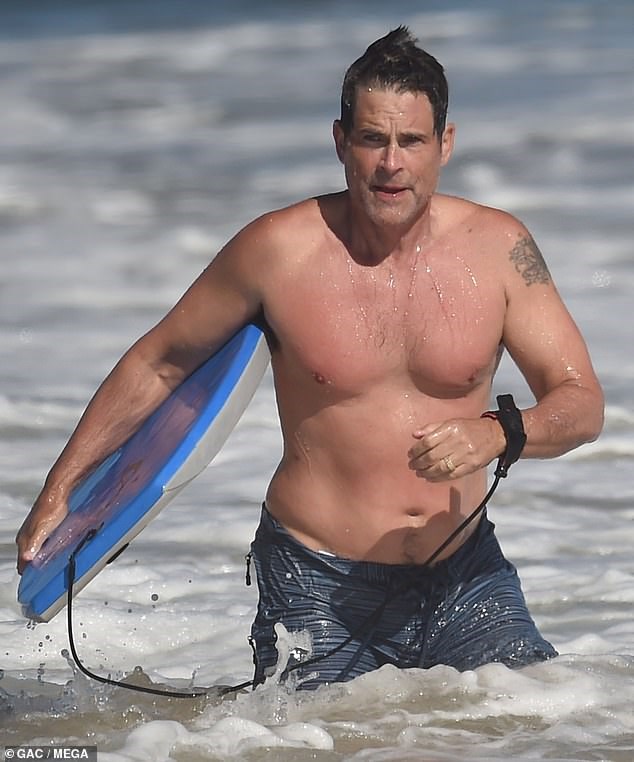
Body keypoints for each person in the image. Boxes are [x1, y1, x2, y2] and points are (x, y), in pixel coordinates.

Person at [16, 27, 603, 690]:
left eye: (412, 141)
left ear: (445, 143)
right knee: (321, 739)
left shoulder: (500, 249)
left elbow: (581, 403)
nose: (392, 164)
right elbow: (159, 363)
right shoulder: (277, 251)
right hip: (317, 582)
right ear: (340, 140)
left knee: (540, 717)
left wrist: (498, 433)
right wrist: (61, 492)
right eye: (372, 139)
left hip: (464, 575)